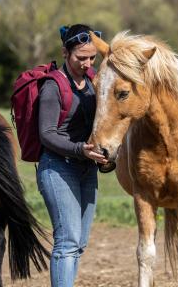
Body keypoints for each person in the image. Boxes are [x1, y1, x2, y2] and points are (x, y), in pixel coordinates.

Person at [37, 24, 108, 286]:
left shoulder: (92, 81)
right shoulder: (52, 87)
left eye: (92, 58)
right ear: (65, 53)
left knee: (79, 243)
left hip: (86, 169)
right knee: (67, 242)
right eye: (81, 58)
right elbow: (47, 134)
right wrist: (80, 149)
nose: (87, 63)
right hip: (57, 167)